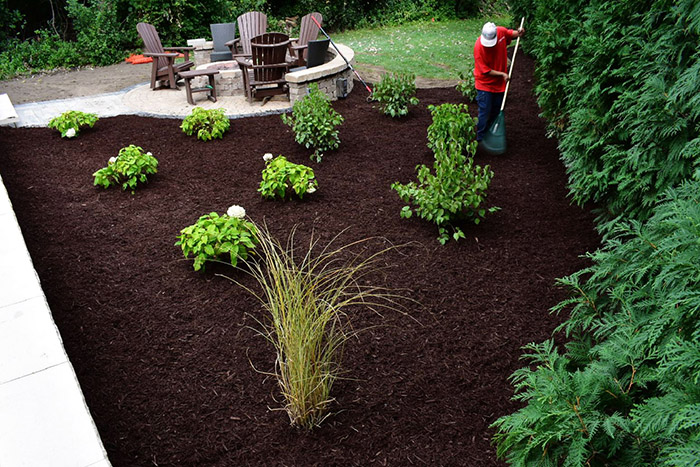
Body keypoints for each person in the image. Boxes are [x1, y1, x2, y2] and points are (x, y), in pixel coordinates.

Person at [473, 21, 525, 142]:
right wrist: (502, 74)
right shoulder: (478, 47)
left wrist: (518, 32)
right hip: (484, 84)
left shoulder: (500, 32)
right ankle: (481, 139)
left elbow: (510, 34)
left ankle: (492, 136)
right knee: (484, 113)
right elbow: (485, 71)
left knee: (497, 111)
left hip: (499, 84)